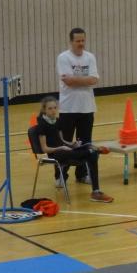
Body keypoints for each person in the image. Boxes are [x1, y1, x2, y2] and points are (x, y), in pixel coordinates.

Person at [35, 96, 113, 203]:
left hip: (64, 151)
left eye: (55, 108)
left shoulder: (57, 121)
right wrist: (61, 147)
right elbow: (45, 149)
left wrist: (72, 144)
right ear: (44, 110)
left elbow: (62, 140)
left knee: (92, 155)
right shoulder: (42, 125)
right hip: (55, 154)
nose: (53, 111)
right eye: (50, 108)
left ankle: (96, 191)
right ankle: (94, 150)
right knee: (88, 152)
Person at [57, 27, 99, 185]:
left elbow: (94, 79)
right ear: (71, 42)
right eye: (78, 41)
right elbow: (68, 81)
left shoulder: (90, 57)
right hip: (68, 108)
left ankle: (82, 174)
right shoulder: (63, 58)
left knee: (85, 143)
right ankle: (60, 176)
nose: (81, 43)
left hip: (87, 108)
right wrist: (86, 80)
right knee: (65, 143)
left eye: (83, 40)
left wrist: (76, 79)